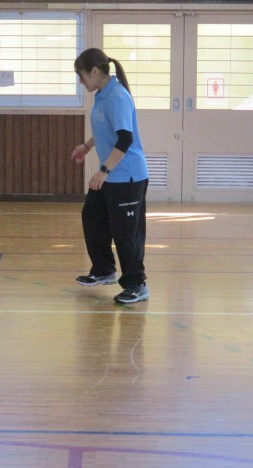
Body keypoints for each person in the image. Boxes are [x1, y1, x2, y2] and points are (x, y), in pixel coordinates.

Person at [70, 48, 149, 304]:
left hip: (127, 176)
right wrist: (87, 146)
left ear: (94, 71)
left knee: (126, 233)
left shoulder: (117, 96)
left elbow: (125, 139)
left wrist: (103, 170)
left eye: (81, 76)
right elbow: (108, 129)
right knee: (92, 218)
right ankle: (104, 270)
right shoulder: (102, 95)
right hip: (111, 175)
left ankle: (136, 284)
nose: (81, 82)